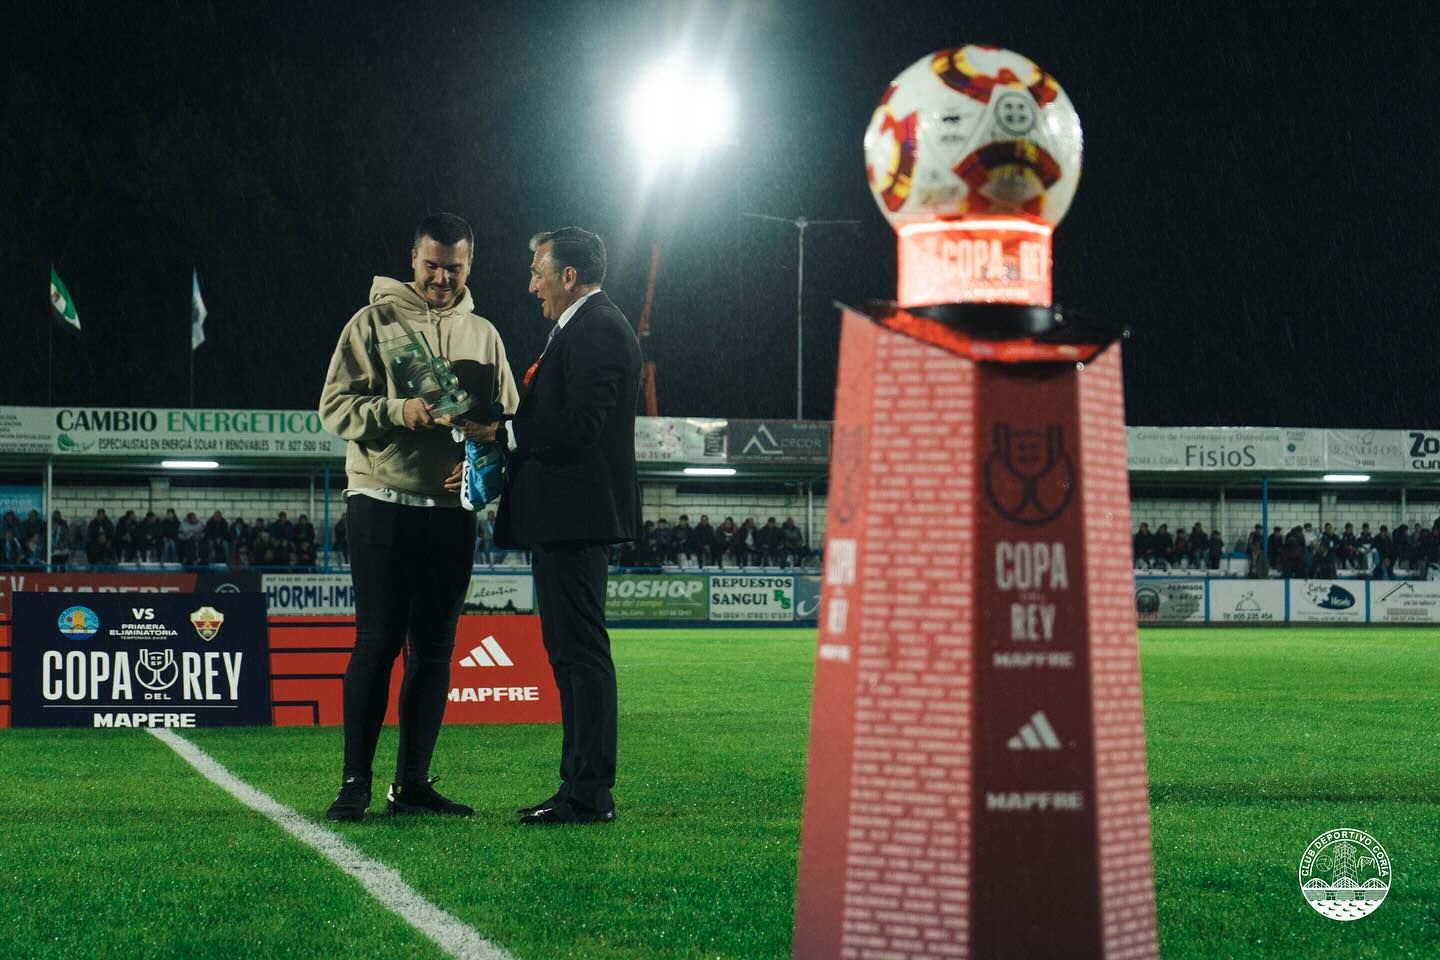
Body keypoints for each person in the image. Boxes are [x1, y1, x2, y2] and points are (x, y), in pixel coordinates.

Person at [318, 212, 518, 822]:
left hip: (449, 511)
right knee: (377, 641)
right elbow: (333, 408)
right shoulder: (371, 322)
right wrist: (398, 411)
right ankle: (354, 781)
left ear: (469, 266)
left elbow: (507, 421)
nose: (440, 277)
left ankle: (412, 785)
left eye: (453, 268)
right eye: (431, 264)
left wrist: (483, 460)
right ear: (412, 259)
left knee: (434, 649)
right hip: (379, 500)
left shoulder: (484, 334)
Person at [479, 226, 640, 826]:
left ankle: (590, 790)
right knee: (568, 653)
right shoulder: (580, 328)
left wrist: (504, 432)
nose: (531, 286)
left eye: (538, 274)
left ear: (568, 275)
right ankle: (577, 784)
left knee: (581, 653)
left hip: (577, 519)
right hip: (563, 520)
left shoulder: (597, 326)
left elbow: (579, 426)